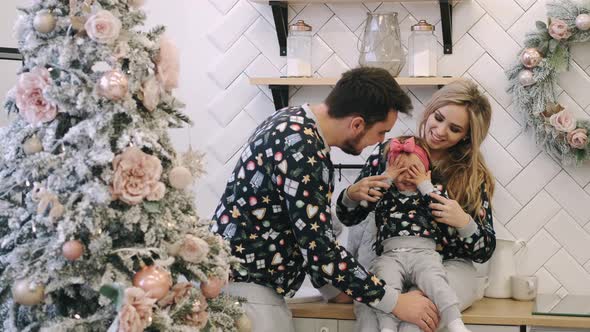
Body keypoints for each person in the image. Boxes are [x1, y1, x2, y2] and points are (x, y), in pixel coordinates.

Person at [210, 67, 440, 332]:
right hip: (248, 298)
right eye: (380, 132)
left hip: (234, 285)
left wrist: (336, 287)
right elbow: (319, 250)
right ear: (357, 124)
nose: (381, 141)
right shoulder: (302, 148)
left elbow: (305, 230)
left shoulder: (290, 120)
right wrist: (395, 301)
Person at [333, 78, 496, 332]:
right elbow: (349, 217)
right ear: (430, 110)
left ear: (466, 136)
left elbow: (484, 250)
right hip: (391, 260)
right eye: (438, 118)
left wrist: (464, 222)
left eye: (454, 129)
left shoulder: (471, 177)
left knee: (414, 321)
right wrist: (352, 195)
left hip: (449, 268)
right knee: (369, 314)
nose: (440, 131)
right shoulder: (390, 154)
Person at [338, 135, 472, 332]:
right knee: (386, 286)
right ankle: (387, 328)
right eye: (400, 170)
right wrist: (388, 176)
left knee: (436, 282)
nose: (408, 176)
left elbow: (441, 207)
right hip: (390, 256)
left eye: (414, 171)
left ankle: (455, 322)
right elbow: (365, 202)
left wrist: (425, 183)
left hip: (424, 255)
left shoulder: (431, 194)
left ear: (426, 172)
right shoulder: (385, 195)